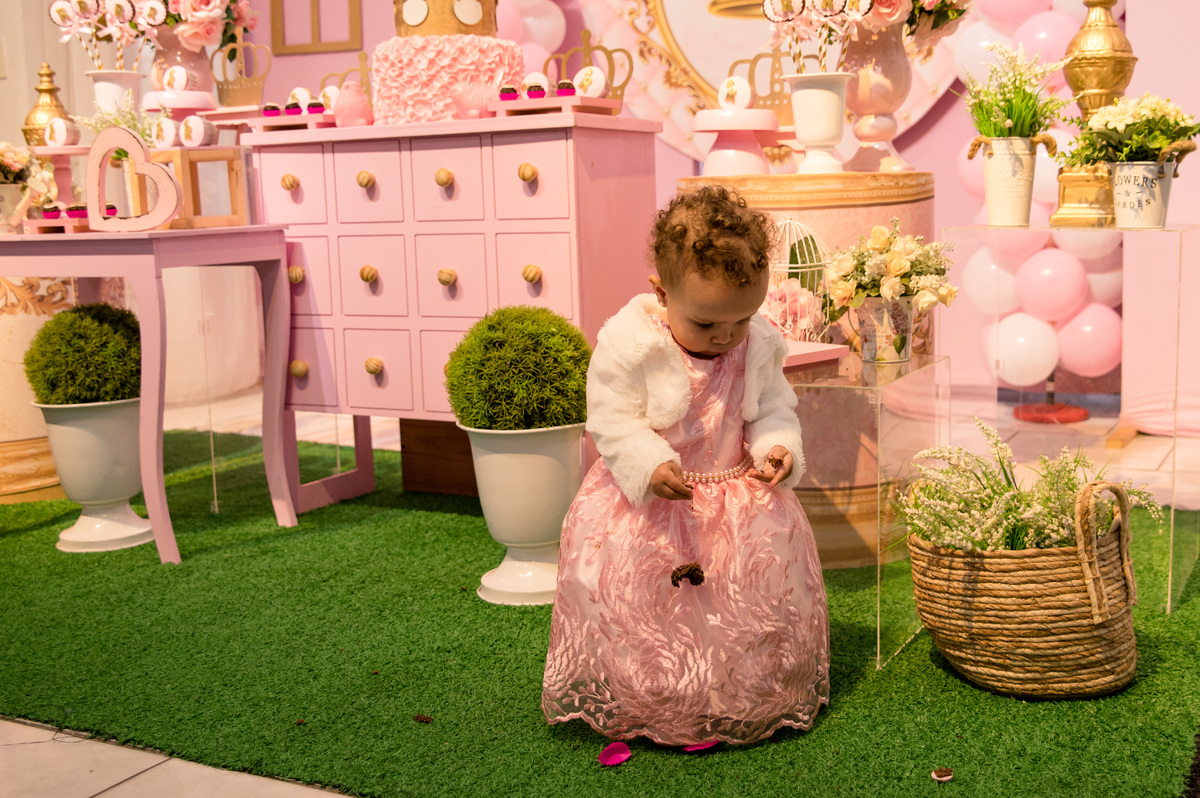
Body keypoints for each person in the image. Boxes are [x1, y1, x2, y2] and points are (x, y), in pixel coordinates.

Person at [541, 186, 830, 747]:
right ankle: (651, 689)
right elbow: (611, 418)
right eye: (705, 323)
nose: (726, 336)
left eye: (742, 319)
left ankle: (742, 688)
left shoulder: (757, 344)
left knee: (741, 602)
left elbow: (772, 406)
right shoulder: (632, 344)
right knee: (650, 605)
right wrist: (646, 462)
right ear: (662, 292)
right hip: (652, 505)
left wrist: (776, 447)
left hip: (738, 502)